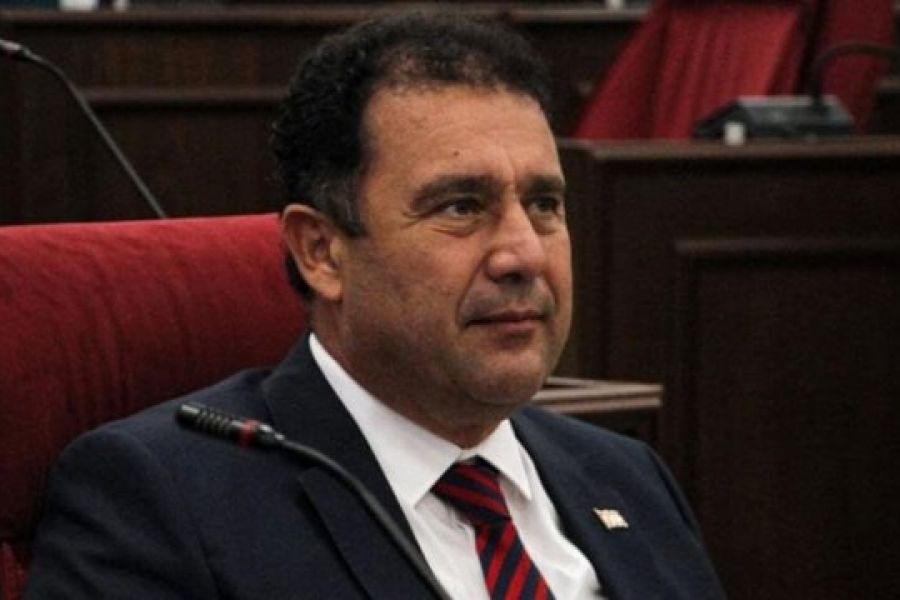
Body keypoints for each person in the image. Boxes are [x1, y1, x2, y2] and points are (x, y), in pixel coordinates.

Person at [25, 12, 724, 599]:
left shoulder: (627, 477)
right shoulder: (161, 499)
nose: (524, 255)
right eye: (461, 207)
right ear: (322, 252)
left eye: (544, 204)